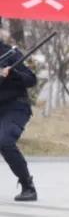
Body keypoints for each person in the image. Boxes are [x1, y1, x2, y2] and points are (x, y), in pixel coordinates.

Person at [0, 36, 36, 201]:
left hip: (15, 107)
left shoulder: (10, 54)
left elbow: (31, 80)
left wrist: (12, 73)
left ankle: (27, 185)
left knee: (5, 141)